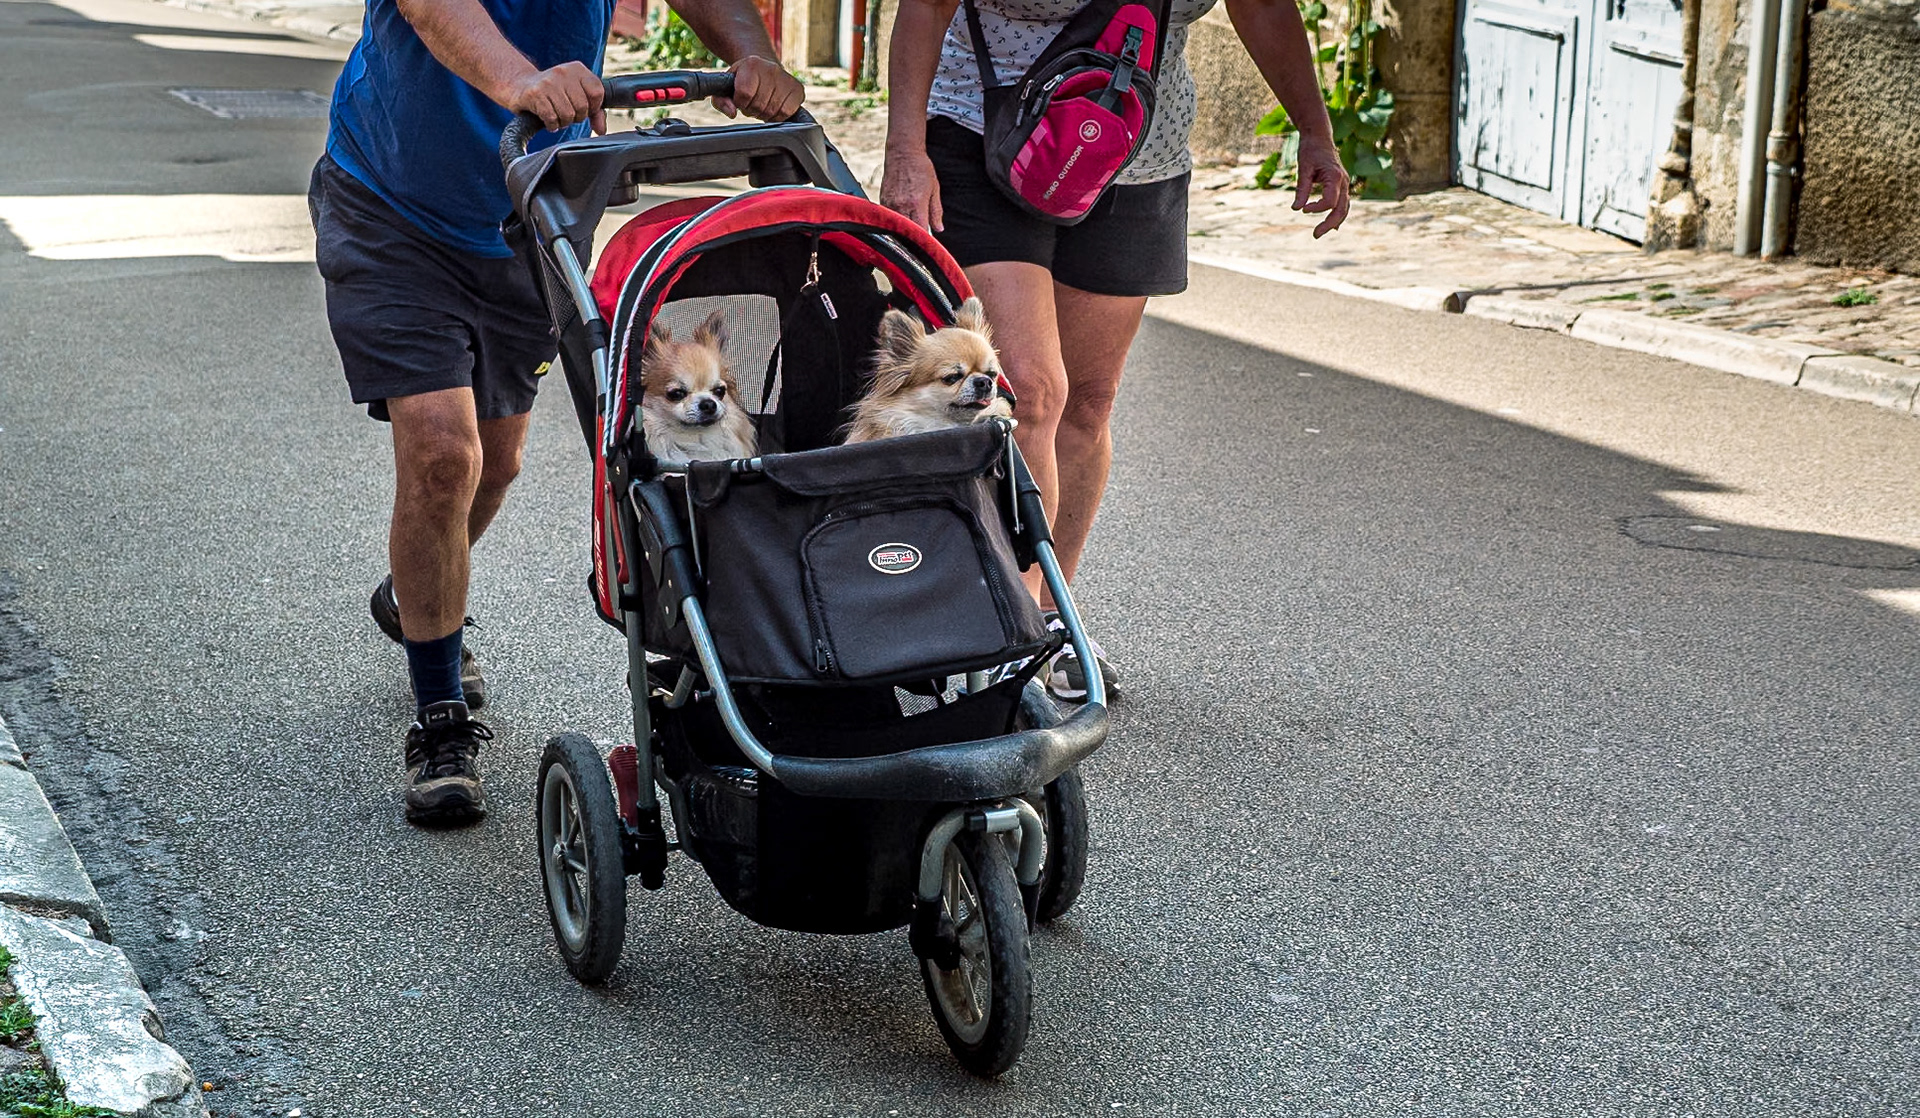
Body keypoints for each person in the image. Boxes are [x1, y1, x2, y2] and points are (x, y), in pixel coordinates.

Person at [309, 0, 803, 826]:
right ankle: (441, 719)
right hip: (391, 206)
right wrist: (523, 80)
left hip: (529, 216)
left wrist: (753, 54)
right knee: (443, 457)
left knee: (494, 466)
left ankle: (416, 593)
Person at [881, 0, 1349, 701]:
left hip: (1133, 149)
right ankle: (1008, 630)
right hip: (984, 130)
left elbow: (1262, 8)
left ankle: (1048, 612)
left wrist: (1315, 130)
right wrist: (906, 150)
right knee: (1029, 392)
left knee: (1088, 404)